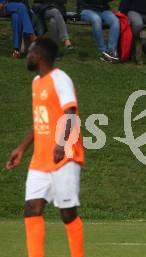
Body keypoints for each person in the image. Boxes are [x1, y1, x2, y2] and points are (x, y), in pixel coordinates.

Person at [6, 38, 85, 257]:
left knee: (67, 214)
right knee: (32, 209)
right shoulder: (36, 83)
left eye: (30, 52)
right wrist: (22, 148)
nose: (27, 56)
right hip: (40, 159)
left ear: (39, 55)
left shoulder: (60, 79)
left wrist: (61, 144)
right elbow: (40, 121)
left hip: (64, 156)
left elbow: (71, 115)